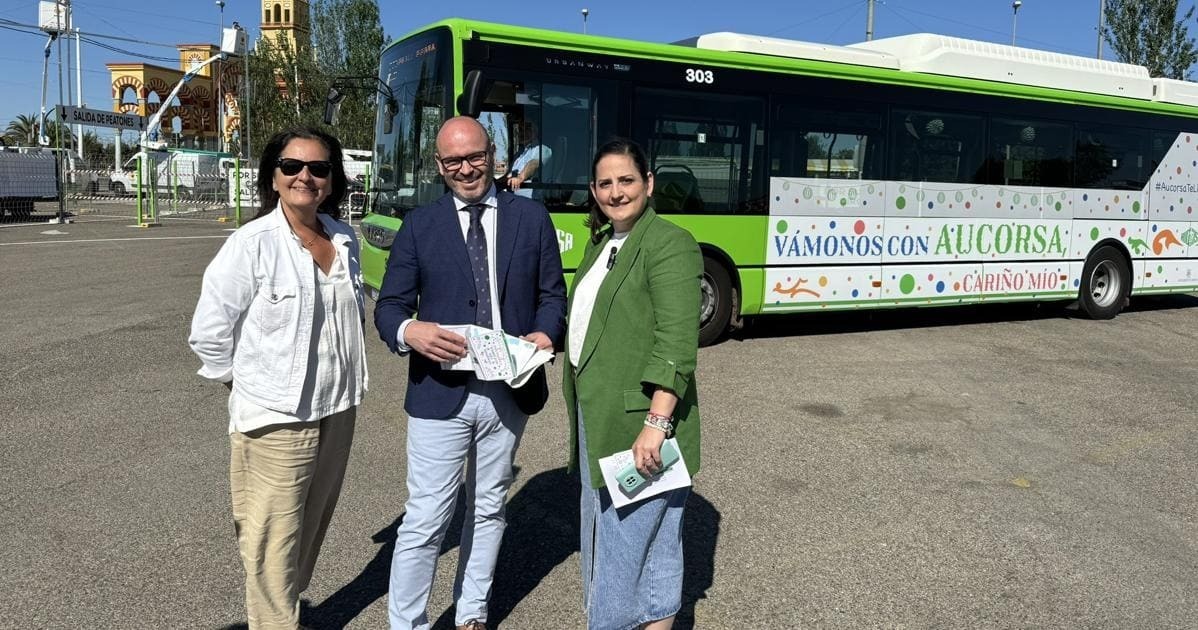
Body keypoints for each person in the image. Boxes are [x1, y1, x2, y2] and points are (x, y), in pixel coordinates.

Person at [375, 116, 566, 630]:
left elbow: (553, 297)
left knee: (488, 507)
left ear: (494, 156)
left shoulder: (532, 219)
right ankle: (407, 624)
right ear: (439, 166)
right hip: (440, 392)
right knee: (425, 520)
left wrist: (548, 333)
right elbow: (389, 307)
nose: (466, 169)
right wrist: (410, 332)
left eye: (476, 156)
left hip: (509, 390)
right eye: (454, 161)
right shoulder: (421, 224)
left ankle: (473, 612)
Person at [188, 127, 368, 629]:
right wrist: (244, 385)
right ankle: (276, 622)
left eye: (318, 168)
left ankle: (283, 606)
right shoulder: (252, 244)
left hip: (338, 406)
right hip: (277, 417)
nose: (304, 177)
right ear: (274, 176)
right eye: (292, 167)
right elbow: (209, 332)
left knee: (309, 527)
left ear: (332, 181)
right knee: (272, 537)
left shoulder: (343, 238)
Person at [563, 138, 703, 630]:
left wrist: (656, 423)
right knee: (653, 550)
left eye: (626, 180)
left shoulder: (669, 242)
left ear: (647, 184)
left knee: (622, 554)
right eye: (605, 183)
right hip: (598, 416)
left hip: (639, 425)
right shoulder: (603, 243)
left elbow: (676, 344)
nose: (616, 192)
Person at [506, 121, 551, 198]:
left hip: (532, 201)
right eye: (520, 129)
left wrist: (520, 177)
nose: (522, 133)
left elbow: (533, 164)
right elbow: (509, 175)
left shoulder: (542, 149)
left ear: (535, 132)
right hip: (514, 198)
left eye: (527, 129)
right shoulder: (520, 153)